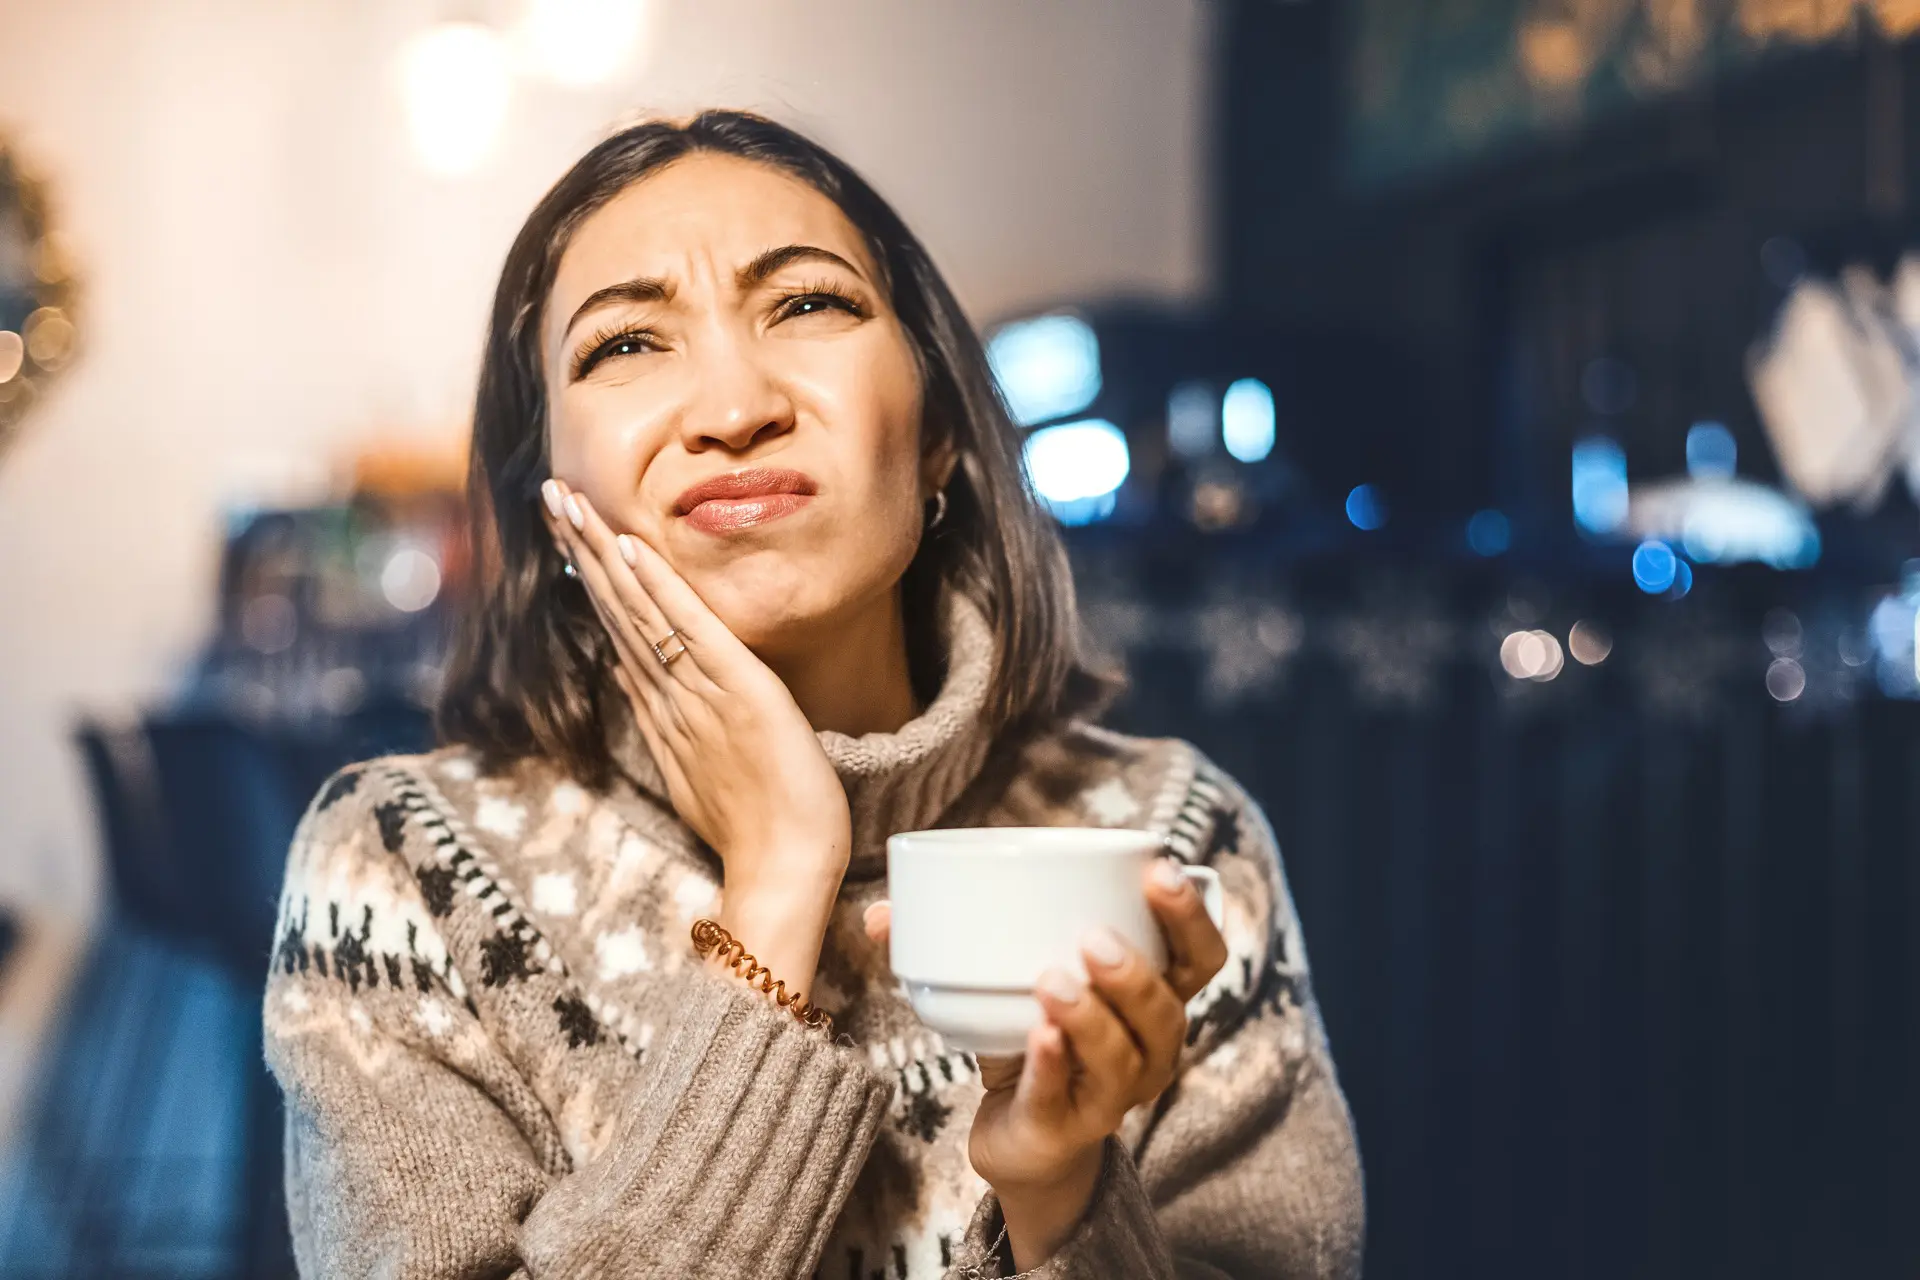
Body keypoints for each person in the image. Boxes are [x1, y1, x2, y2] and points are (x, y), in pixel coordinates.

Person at [263, 108, 1364, 1279]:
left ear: (939, 432)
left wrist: (1062, 1187)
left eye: (807, 305)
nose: (735, 409)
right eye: (627, 343)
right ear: (555, 499)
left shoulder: (1174, 852)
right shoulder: (405, 867)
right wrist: (780, 874)